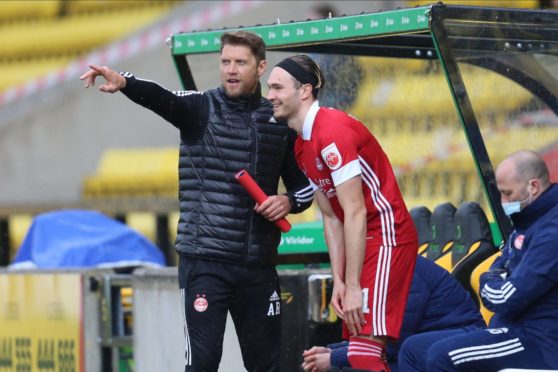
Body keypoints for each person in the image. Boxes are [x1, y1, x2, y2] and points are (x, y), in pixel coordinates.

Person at [80, 31, 314, 372]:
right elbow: (161, 97)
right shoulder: (199, 107)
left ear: (261, 67)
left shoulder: (279, 121)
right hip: (205, 263)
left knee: (268, 367)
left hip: (258, 267)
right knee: (203, 364)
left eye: (240, 62)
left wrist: (288, 202)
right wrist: (125, 82)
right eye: (225, 62)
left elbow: (306, 189)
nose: (231, 70)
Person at [266, 54, 419, 371]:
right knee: (357, 354)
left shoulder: (332, 131)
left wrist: (352, 286)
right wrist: (338, 280)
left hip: (385, 235)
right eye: (270, 88)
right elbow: (331, 217)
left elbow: (355, 211)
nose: (270, 96)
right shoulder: (301, 145)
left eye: (278, 87)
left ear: (305, 90)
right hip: (361, 242)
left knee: (363, 354)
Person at [397, 149, 558, 371]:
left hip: (537, 340)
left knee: (440, 356)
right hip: (509, 327)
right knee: (413, 349)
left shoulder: (552, 231)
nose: (503, 201)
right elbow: (500, 266)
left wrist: (490, 281)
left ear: (533, 187)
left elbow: (508, 296)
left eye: (507, 193)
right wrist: (495, 278)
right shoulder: (526, 221)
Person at [300, 255, 485, 372]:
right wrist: (333, 350)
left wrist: (334, 357)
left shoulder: (399, 270)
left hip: (456, 341)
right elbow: (376, 337)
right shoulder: (374, 269)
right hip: (417, 347)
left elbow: (394, 342)